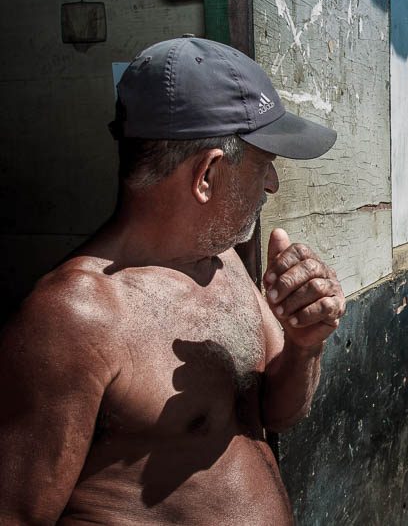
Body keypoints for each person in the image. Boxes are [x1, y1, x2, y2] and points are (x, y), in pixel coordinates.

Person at [0, 37, 345, 524]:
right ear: (206, 174)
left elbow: (274, 414)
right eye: (264, 163)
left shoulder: (222, 261)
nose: (272, 184)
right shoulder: (74, 318)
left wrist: (305, 344)